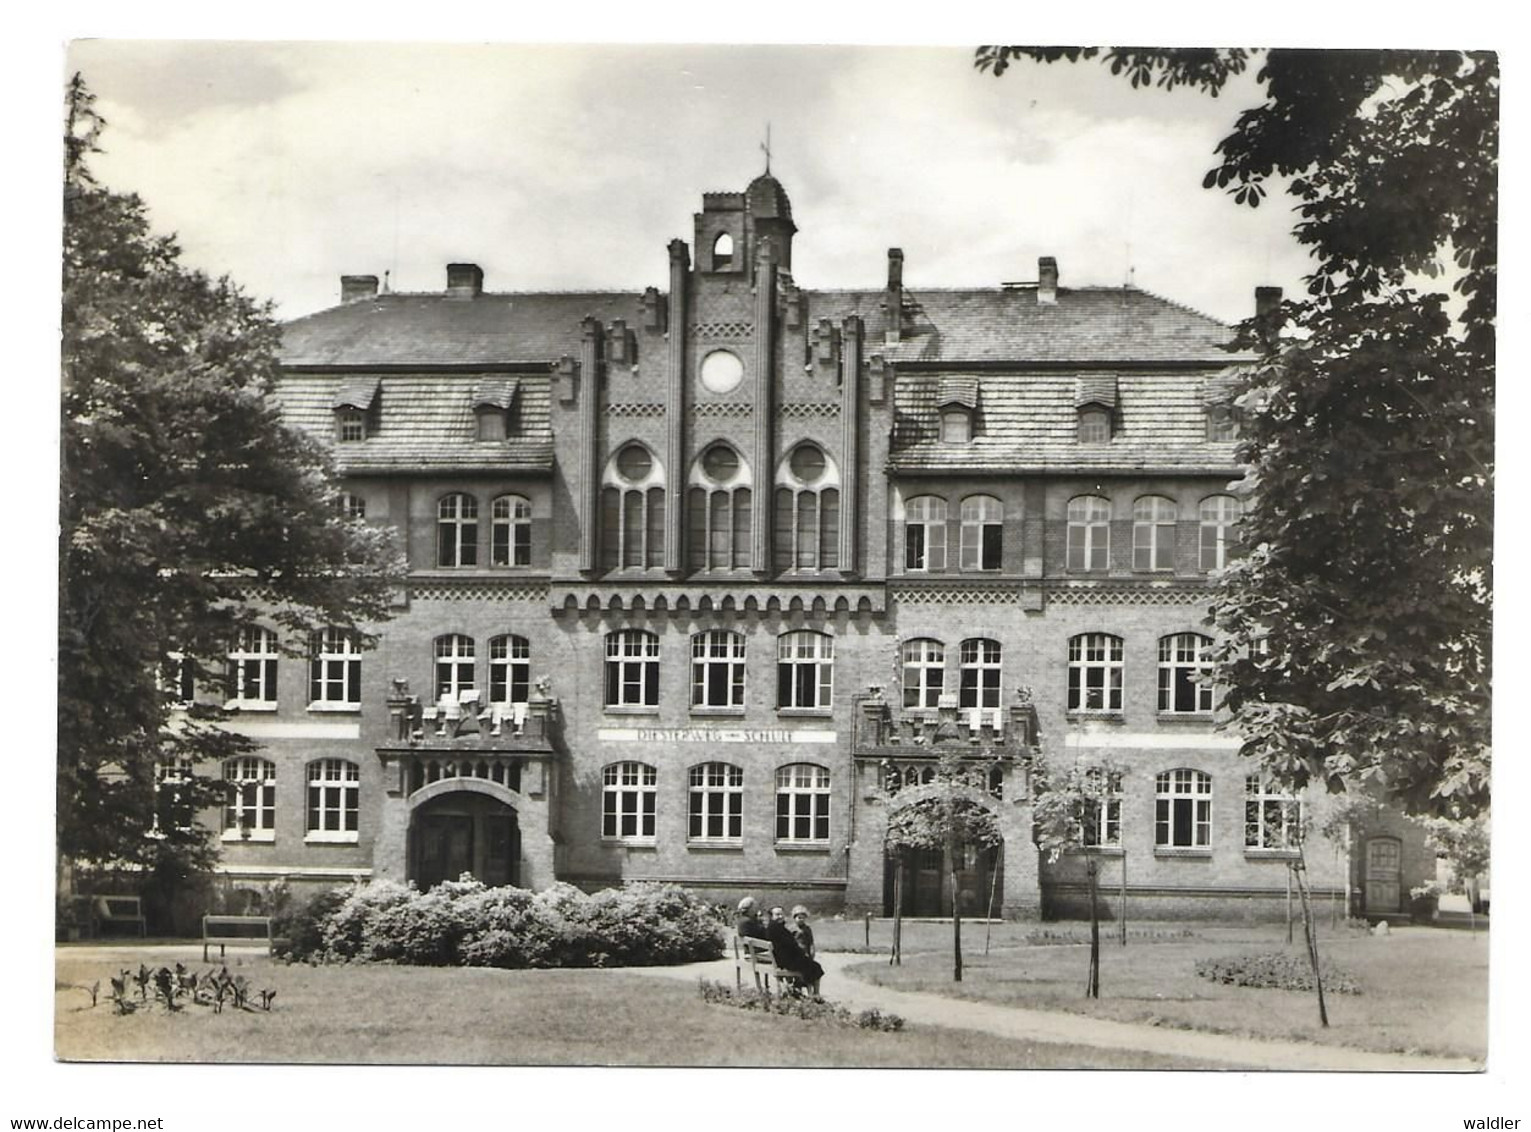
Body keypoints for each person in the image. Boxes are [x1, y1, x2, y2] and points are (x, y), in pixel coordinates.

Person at [767, 905, 824, 999]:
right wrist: (800, 954)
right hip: (786, 961)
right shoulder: (776, 929)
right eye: (777, 915)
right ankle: (815, 994)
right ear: (771, 916)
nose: (780, 916)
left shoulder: (775, 927)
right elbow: (789, 946)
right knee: (815, 966)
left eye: (781, 914)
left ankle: (797, 989)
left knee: (809, 964)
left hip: (782, 959)